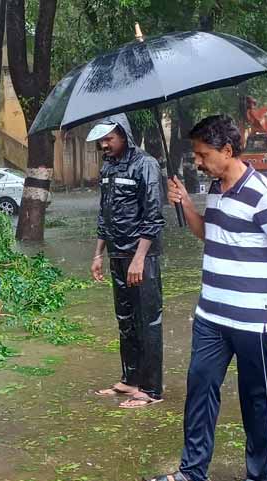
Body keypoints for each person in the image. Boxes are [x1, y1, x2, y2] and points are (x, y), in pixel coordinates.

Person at [147, 114, 267, 481]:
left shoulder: (262, 193)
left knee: (256, 396)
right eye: (195, 155)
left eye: (204, 154)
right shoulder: (215, 187)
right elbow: (210, 233)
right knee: (200, 388)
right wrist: (187, 204)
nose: (198, 162)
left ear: (228, 150)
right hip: (210, 314)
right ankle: (192, 475)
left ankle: (261, 477)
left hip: (250, 317)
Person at [87, 113, 166, 409]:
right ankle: (130, 379)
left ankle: (151, 389)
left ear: (125, 135)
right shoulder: (108, 166)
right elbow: (103, 214)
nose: (105, 144)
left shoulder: (146, 164)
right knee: (126, 320)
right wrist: (98, 253)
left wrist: (139, 258)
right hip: (117, 255)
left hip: (141, 257)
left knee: (148, 320)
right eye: (102, 140)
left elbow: (154, 215)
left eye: (109, 138)